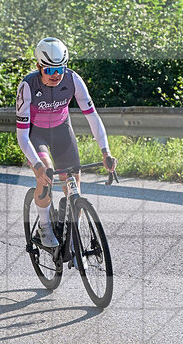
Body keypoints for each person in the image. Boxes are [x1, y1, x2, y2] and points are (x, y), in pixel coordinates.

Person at [15, 37, 116, 248]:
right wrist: (38, 165)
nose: (56, 75)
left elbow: (93, 117)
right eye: (49, 70)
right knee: (46, 177)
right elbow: (23, 136)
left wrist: (105, 152)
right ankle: (44, 225)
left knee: (74, 188)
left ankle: (73, 239)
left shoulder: (73, 80)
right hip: (37, 135)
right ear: (39, 67)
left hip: (62, 131)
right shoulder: (28, 85)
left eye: (60, 69)